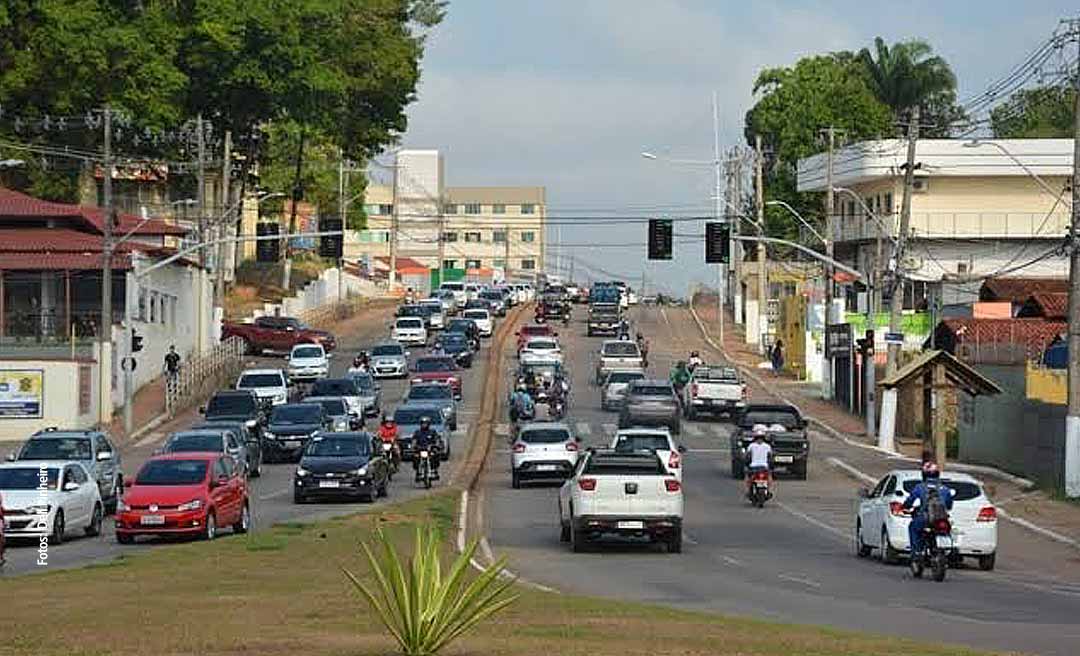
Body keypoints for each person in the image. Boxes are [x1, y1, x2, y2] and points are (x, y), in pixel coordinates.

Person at [902, 463, 954, 558]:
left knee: (913, 528)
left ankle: (916, 552)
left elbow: (910, 501)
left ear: (924, 475)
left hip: (924, 518)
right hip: (941, 518)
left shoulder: (920, 487)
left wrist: (905, 507)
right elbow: (949, 505)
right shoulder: (945, 489)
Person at [745, 428, 773, 495]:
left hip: (754, 466)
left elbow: (747, 456)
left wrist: (746, 465)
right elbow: (770, 456)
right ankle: (769, 491)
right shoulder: (767, 446)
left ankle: (748, 490)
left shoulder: (751, 445)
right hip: (764, 466)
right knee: (769, 477)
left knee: (748, 477)